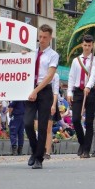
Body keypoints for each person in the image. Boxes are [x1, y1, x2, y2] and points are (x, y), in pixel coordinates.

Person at [24, 24, 59, 169]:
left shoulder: (53, 55)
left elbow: (50, 76)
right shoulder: (32, 53)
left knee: (43, 126)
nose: (42, 40)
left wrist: (36, 91)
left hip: (44, 91)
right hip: (31, 89)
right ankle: (34, 149)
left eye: (45, 37)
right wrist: (21, 57)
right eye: (40, 37)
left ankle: (39, 158)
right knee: (27, 122)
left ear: (50, 38)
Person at [67, 34, 95, 158]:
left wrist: (89, 86)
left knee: (89, 121)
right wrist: (69, 92)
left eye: (89, 45)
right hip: (78, 91)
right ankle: (82, 142)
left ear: (92, 46)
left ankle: (86, 150)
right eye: (85, 45)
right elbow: (71, 76)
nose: (87, 48)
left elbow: (93, 75)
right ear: (82, 45)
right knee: (75, 119)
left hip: (90, 92)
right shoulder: (76, 60)